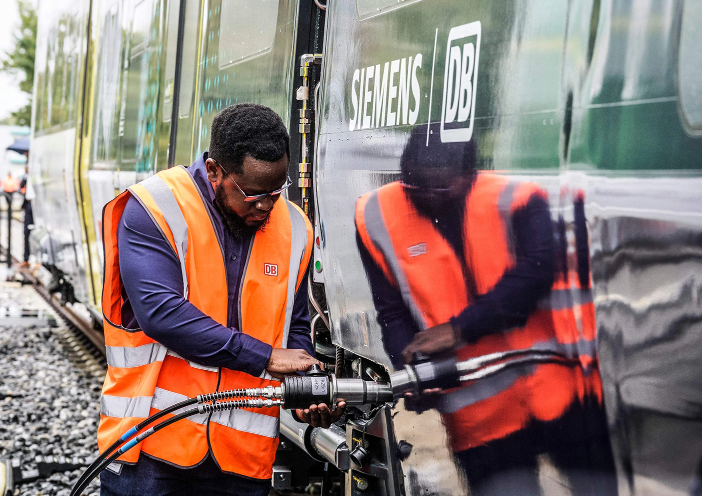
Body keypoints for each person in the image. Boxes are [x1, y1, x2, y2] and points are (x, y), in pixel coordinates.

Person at [98, 103, 344, 496]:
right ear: (215, 171)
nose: (265, 206)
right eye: (251, 193)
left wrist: (303, 387)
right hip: (151, 445)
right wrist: (264, 357)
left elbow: (294, 325)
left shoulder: (295, 227)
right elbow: (161, 314)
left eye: (275, 192)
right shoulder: (155, 208)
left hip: (242, 459)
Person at [355, 126, 616, 495]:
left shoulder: (517, 199)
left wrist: (459, 329)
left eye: (440, 187)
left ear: (469, 176)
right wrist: (410, 369)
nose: (427, 196)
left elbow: (536, 273)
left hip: (562, 393)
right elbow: (392, 313)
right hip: (481, 420)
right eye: (415, 188)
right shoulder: (376, 217)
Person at [18, 161, 34, 266]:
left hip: (35, 207)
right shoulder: (26, 177)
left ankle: (35, 259)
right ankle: (26, 258)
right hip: (28, 206)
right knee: (26, 232)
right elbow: (21, 187)